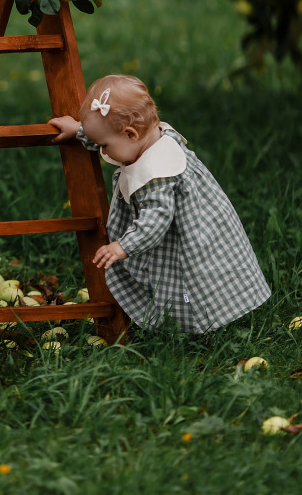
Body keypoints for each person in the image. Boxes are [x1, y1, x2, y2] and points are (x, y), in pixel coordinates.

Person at [49, 74, 271, 334]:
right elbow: (111, 136)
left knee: (187, 280)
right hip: (187, 225)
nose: (104, 152)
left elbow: (156, 219)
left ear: (130, 133)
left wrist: (124, 246)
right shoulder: (149, 137)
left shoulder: (158, 172)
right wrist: (79, 131)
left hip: (182, 238)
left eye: (104, 145)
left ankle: (192, 327)